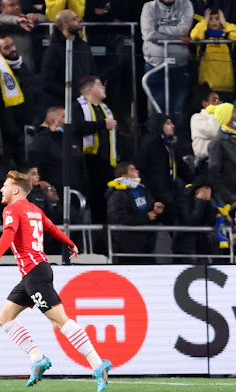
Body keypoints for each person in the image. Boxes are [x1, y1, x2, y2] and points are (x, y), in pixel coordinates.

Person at [0, 170, 113, 392]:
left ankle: (98, 365)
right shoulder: (34, 210)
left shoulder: (11, 209)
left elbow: (8, 234)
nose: (1, 189)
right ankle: (37, 358)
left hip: (35, 275)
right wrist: (70, 243)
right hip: (34, 274)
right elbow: (51, 229)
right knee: (5, 318)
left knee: (60, 321)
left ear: (15, 189)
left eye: (4, 185)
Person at [140, 0, 194, 126]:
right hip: (155, 65)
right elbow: (149, 34)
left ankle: (175, 141)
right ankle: (158, 140)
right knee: (157, 108)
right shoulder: (149, 7)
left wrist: (160, 28)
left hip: (180, 65)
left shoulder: (185, 4)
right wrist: (175, 38)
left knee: (178, 108)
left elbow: (184, 29)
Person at [0, 32, 33, 165]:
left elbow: (29, 94)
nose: (12, 49)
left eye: (12, 45)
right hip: (6, 131)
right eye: (7, 47)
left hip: (23, 127)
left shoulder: (21, 66)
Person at [73, 75, 117, 224]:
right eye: (100, 85)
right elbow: (76, 127)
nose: (104, 88)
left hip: (107, 162)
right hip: (87, 162)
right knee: (94, 202)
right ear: (90, 89)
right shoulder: (77, 106)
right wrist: (101, 124)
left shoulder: (106, 109)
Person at [105, 161, 164, 263]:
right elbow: (118, 218)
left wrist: (155, 209)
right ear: (124, 175)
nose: (137, 171)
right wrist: (146, 217)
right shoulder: (117, 195)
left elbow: (149, 208)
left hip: (146, 245)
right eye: (132, 169)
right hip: (127, 248)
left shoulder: (142, 189)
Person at [40, 9, 97, 106]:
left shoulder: (84, 46)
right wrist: (73, 95)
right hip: (63, 104)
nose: (79, 20)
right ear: (65, 25)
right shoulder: (53, 50)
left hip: (86, 101)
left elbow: (93, 72)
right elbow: (47, 83)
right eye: (74, 19)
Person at [189, 8, 236, 96]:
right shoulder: (203, 37)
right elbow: (194, 35)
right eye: (210, 19)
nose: (214, 21)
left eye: (217, 18)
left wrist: (224, 23)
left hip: (226, 87)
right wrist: (204, 21)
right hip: (207, 88)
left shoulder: (228, 37)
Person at [0, 0, 47, 72]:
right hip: (5, 71)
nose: (17, 7)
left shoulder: (26, 19)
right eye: (11, 5)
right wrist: (16, 20)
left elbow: (44, 18)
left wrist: (35, 16)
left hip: (28, 69)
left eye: (18, 4)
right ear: (2, 9)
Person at [190, 83, 221, 163]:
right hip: (204, 162)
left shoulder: (222, 118)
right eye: (214, 100)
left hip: (222, 161)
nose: (218, 103)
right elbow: (212, 131)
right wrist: (214, 112)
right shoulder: (196, 118)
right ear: (205, 103)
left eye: (219, 100)